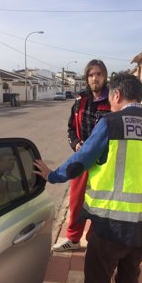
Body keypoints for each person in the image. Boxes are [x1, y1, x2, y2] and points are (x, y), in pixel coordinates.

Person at [33, 71, 142, 283]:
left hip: (110, 226)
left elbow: (81, 160)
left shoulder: (112, 123)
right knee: (128, 282)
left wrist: (53, 175)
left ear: (117, 95)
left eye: (111, 98)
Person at [52, 59, 111, 252]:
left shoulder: (113, 100)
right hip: (82, 160)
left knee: (99, 204)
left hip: (104, 163)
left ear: (105, 76)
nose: (95, 78)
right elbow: (70, 129)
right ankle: (73, 239)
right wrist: (76, 143)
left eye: (99, 74)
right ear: (87, 77)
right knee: (76, 202)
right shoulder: (80, 101)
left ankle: (95, 240)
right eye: (91, 74)